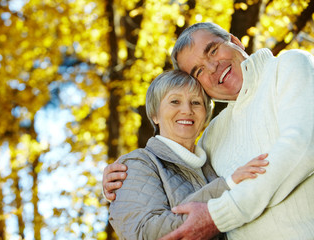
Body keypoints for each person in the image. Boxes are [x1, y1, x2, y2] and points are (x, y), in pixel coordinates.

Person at [103, 22, 314, 240]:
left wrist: (219, 215)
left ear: (235, 41)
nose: (213, 67)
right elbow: (183, 173)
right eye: (199, 71)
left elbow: (304, 146)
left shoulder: (288, 66)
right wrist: (125, 183)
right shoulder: (213, 135)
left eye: (212, 50)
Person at [109, 70, 268, 240]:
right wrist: (227, 186)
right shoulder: (137, 163)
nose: (187, 110)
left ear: (206, 115)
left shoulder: (215, 161)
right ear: (155, 115)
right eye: (175, 101)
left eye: (196, 102)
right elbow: (144, 232)